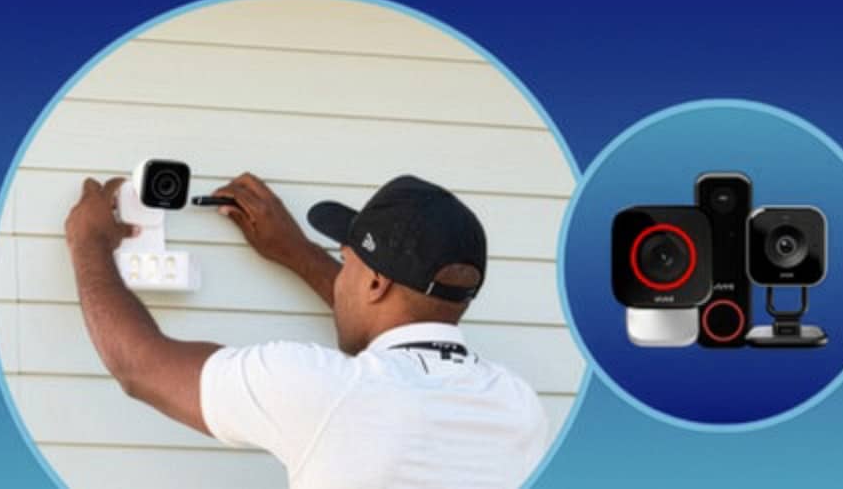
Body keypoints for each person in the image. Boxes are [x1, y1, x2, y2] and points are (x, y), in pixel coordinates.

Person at [64, 172, 549, 488]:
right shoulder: (518, 406)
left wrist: (89, 242)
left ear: (375, 283)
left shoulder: (327, 390)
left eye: (346, 261)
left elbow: (139, 366)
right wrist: (295, 252)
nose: (341, 275)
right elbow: (401, 327)